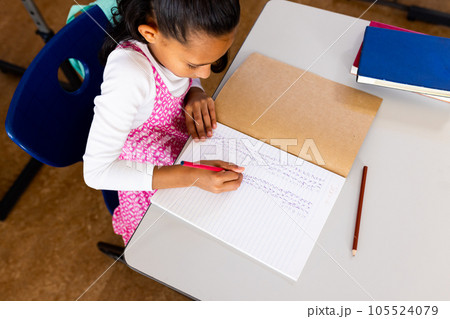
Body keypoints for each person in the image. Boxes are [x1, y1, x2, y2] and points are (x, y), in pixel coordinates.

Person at [83, 0, 244, 244]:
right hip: (152, 179)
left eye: (213, 60)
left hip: (184, 151)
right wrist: (189, 175)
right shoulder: (130, 74)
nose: (205, 74)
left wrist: (195, 91)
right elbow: (96, 172)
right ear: (150, 33)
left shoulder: (173, 47)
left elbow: (189, 74)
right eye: (193, 65)